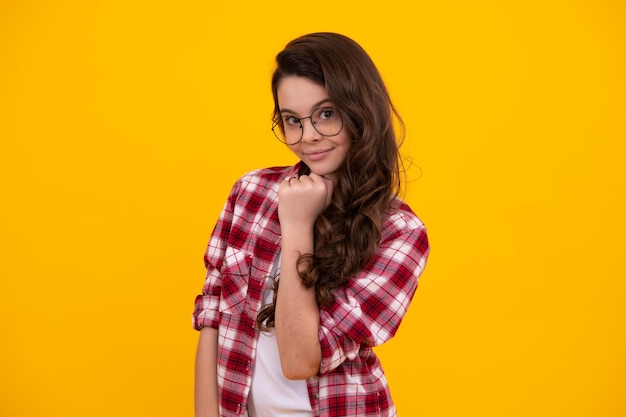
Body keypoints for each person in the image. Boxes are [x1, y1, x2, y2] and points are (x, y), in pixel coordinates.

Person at [193, 32, 429, 417]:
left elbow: (301, 360)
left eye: (326, 113)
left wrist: (298, 227)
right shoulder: (251, 192)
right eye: (291, 120)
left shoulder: (400, 233)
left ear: (359, 111)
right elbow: (212, 315)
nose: (309, 137)